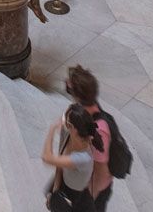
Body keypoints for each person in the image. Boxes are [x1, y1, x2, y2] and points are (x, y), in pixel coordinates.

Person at [66, 66, 113, 209]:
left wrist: (89, 199)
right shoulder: (85, 114)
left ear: (78, 96)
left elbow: (101, 171)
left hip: (95, 191)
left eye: (70, 89)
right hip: (84, 182)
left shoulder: (99, 129)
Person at [42, 104, 99, 211]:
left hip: (76, 197)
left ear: (73, 128)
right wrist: (55, 191)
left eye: (66, 122)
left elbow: (47, 158)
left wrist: (52, 129)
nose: (63, 123)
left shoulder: (83, 158)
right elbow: (59, 163)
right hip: (64, 184)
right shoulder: (68, 133)